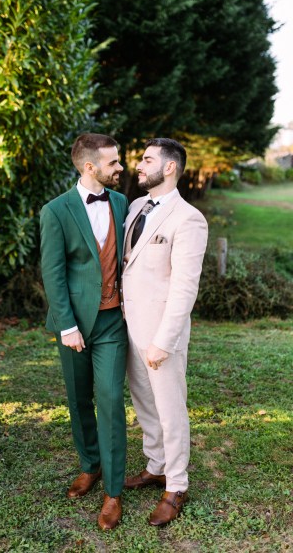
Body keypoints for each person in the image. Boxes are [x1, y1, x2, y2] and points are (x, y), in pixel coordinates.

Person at [39, 133, 128, 530]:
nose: (121, 168)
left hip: (112, 321)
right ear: (90, 167)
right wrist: (68, 326)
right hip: (74, 324)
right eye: (114, 162)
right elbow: (53, 273)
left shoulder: (124, 204)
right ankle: (89, 465)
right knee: (78, 399)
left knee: (109, 401)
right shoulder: (55, 211)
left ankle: (113, 491)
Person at [121, 137, 208, 526]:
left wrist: (164, 340)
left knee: (170, 409)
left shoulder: (189, 219)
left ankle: (176, 485)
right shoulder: (136, 206)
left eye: (147, 159)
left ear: (169, 167)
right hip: (128, 327)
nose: (138, 166)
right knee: (143, 403)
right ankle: (155, 465)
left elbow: (185, 288)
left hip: (161, 334)